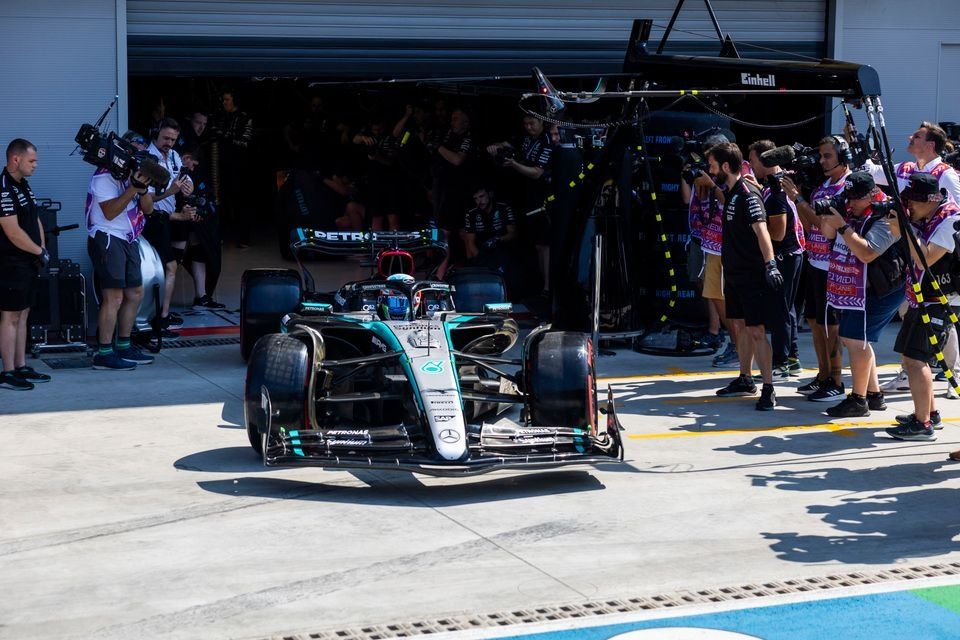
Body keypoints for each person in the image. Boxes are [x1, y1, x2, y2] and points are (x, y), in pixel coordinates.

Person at [815, 172, 903, 417]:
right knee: (858, 339)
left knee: (854, 338)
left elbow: (867, 253)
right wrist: (829, 215)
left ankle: (858, 400)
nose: (849, 203)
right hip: (860, 285)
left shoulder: (887, 215)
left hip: (884, 287)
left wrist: (843, 225)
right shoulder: (850, 208)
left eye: (855, 199)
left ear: (872, 195)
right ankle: (873, 395)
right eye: (847, 197)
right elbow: (827, 236)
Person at [885, 173, 960, 441]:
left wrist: (903, 230)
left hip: (941, 300)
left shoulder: (950, 219)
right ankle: (931, 412)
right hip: (922, 296)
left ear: (929, 200)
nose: (908, 208)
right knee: (910, 356)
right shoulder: (931, 215)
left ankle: (922, 424)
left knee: (917, 360)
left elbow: (924, 259)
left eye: (911, 202)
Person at [709, 142, 783, 411]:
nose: (710, 171)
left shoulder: (748, 195)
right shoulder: (731, 192)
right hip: (735, 274)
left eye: (713, 166)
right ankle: (745, 378)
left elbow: (763, 232)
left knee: (756, 330)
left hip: (753, 275)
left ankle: (769, 387)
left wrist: (771, 265)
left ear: (726, 167)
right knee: (738, 326)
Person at [781, 136, 852, 402]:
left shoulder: (846, 186)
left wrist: (797, 198)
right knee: (814, 321)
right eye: (821, 156)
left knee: (831, 326)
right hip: (815, 260)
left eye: (828, 156)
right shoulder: (824, 186)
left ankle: (836, 380)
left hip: (834, 266)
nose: (822, 161)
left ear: (843, 156)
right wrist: (797, 199)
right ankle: (823, 375)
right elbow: (810, 225)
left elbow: (823, 224)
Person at [86, 159, 157, 369]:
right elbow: (110, 212)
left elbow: (149, 210)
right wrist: (132, 188)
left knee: (135, 293)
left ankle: (124, 345)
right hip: (107, 236)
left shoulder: (138, 176)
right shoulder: (104, 175)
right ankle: (104, 353)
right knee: (114, 297)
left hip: (129, 237)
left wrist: (142, 190)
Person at [747, 140, 805, 377]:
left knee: (779, 309)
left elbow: (778, 233)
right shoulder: (774, 185)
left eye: (752, 161)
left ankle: (781, 361)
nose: (750, 166)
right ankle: (791, 358)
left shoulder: (778, 190)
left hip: (786, 255)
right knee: (786, 308)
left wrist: (755, 232)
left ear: (766, 159)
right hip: (792, 255)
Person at [0, 139, 50, 390]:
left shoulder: (24, 185)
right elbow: (12, 231)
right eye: (32, 161)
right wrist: (38, 250)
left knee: (23, 313)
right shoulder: (3, 188)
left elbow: (35, 218)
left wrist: (41, 248)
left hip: (29, 260)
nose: (36, 165)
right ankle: (7, 372)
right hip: (10, 262)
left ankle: (20, 366)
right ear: (15, 159)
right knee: (9, 316)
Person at [486, 115, 554, 293]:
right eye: (525, 123)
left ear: (541, 122)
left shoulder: (546, 141)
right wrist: (498, 147)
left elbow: (537, 173)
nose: (529, 127)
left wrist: (513, 164)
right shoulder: (526, 137)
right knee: (535, 244)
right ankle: (538, 284)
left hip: (543, 196)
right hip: (525, 196)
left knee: (544, 244)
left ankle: (548, 286)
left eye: (532, 123)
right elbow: (508, 144)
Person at [143, 118, 195, 330]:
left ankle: (161, 312)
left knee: (172, 265)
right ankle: (161, 317)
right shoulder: (148, 159)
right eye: (165, 138)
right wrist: (171, 191)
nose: (169, 143)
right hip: (153, 218)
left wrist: (187, 186)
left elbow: (182, 176)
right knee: (168, 267)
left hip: (171, 216)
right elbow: (146, 199)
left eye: (173, 139)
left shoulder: (173, 155)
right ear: (155, 134)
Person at [177, 145, 224, 309]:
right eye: (193, 164)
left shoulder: (191, 174)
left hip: (188, 220)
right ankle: (161, 307)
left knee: (199, 249)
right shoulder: (171, 166)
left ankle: (201, 296)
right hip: (168, 219)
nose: (193, 168)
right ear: (186, 159)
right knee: (170, 262)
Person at [430, 108, 473, 279]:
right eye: (452, 118)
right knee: (444, 233)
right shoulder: (447, 135)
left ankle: (473, 271)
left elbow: (457, 160)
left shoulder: (467, 138)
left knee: (465, 233)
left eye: (456, 118)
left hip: (463, 192)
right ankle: (439, 275)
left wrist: (438, 146)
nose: (452, 122)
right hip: (445, 190)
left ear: (465, 122)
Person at [216, 89, 255, 247]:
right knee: (221, 202)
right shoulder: (220, 117)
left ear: (234, 100)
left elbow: (246, 142)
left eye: (227, 99)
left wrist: (226, 137)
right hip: (222, 167)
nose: (224, 102)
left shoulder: (245, 118)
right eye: (223, 99)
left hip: (241, 168)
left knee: (241, 203)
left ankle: (244, 238)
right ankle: (219, 236)